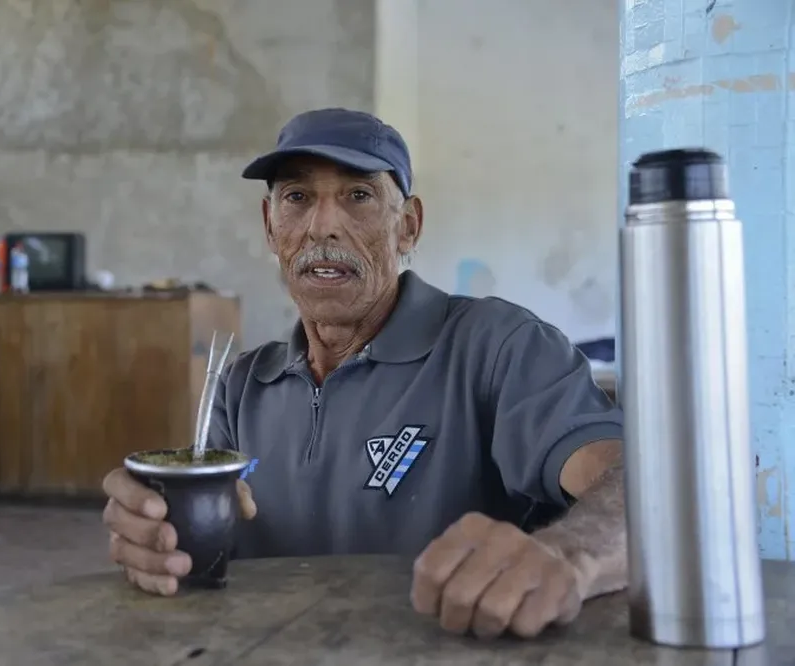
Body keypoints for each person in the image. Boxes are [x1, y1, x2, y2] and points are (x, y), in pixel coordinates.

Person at [102, 108, 626, 640]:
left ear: (408, 226)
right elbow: (204, 550)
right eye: (297, 197)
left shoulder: (499, 347)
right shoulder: (240, 386)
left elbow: (635, 480)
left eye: (358, 195)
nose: (322, 225)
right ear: (270, 226)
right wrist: (160, 539)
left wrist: (569, 553)